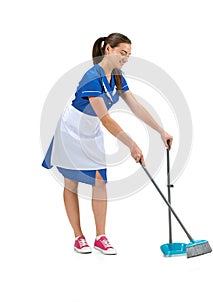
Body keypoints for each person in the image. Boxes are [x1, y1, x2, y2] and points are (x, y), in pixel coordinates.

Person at [42, 33, 173, 255]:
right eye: (122, 53)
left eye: (129, 55)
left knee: (100, 181)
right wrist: (131, 144)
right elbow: (106, 118)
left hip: (91, 131)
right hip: (71, 130)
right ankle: (78, 237)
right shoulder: (92, 77)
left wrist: (161, 131)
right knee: (71, 182)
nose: (125, 58)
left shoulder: (118, 77)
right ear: (108, 50)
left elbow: (136, 106)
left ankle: (100, 237)